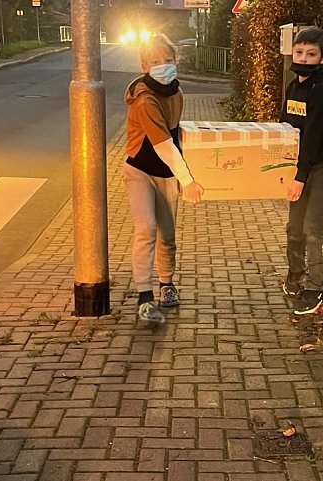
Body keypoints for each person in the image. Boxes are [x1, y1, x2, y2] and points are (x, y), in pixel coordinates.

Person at [123, 33, 204, 324]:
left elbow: (176, 135)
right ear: (145, 66)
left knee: (167, 235)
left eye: (168, 60)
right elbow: (162, 144)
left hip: (165, 174)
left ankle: (166, 284)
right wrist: (189, 179)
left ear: (175, 61)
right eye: (156, 61)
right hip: (140, 171)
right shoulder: (145, 99)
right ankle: (145, 297)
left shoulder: (177, 93)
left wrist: (187, 172)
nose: (163, 65)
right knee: (146, 228)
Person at [279, 26, 323, 315]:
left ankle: (315, 287)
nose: (304, 58)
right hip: (303, 164)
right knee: (294, 227)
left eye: (311, 54)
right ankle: (295, 275)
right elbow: (284, 129)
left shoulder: (320, 92)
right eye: (299, 52)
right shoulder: (293, 86)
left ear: (322, 58)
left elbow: (314, 136)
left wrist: (300, 177)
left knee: (311, 227)